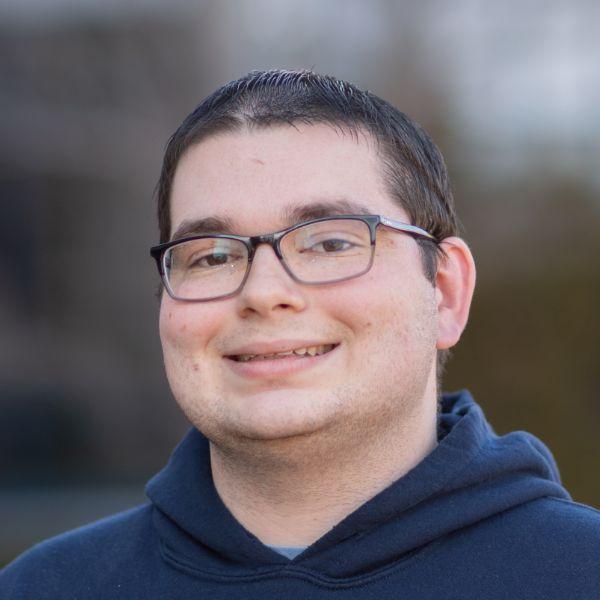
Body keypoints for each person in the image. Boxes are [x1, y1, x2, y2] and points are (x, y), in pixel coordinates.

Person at [2, 69, 599, 599]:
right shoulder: (42, 588)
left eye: (330, 242)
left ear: (444, 291)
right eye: (211, 255)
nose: (262, 292)